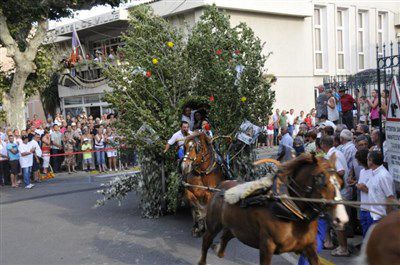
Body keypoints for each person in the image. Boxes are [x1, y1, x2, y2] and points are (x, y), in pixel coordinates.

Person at [319, 135, 350, 257]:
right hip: (338, 192)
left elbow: (341, 171)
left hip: (338, 193)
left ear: (322, 145)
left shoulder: (332, 156)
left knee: (338, 222)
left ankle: (343, 248)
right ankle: (334, 243)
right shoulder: (336, 152)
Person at [366, 151, 396, 223]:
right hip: (373, 215)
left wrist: (388, 219)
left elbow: (390, 198)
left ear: (371, 161)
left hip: (382, 217)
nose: (366, 161)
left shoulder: (384, 176)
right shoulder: (373, 172)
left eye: (367, 159)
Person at [354, 149, 373, 237]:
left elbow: (376, 191)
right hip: (363, 208)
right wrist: (356, 184)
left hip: (371, 209)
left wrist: (364, 188)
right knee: (365, 232)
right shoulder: (362, 171)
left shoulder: (373, 172)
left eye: (357, 159)